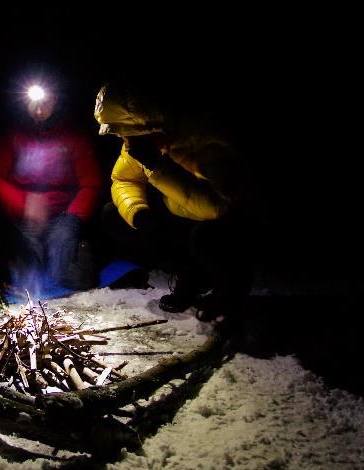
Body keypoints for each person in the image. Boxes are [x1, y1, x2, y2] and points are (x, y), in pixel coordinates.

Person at [94, 79, 259, 323]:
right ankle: (188, 273)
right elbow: (123, 179)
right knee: (114, 215)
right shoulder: (140, 142)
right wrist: (139, 213)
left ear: (151, 126)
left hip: (230, 223)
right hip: (182, 213)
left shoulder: (202, 140)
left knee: (205, 238)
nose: (126, 141)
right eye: (122, 135)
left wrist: (159, 168)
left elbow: (217, 207)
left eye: (129, 134)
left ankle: (229, 292)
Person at [0, 79, 102, 291]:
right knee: (26, 271)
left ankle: (74, 250)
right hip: (24, 219)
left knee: (75, 278)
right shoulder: (13, 136)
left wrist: (73, 218)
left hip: (62, 216)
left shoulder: (73, 137)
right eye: (33, 103)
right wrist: (24, 204)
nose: (39, 110)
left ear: (56, 101)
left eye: (46, 103)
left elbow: (91, 183)